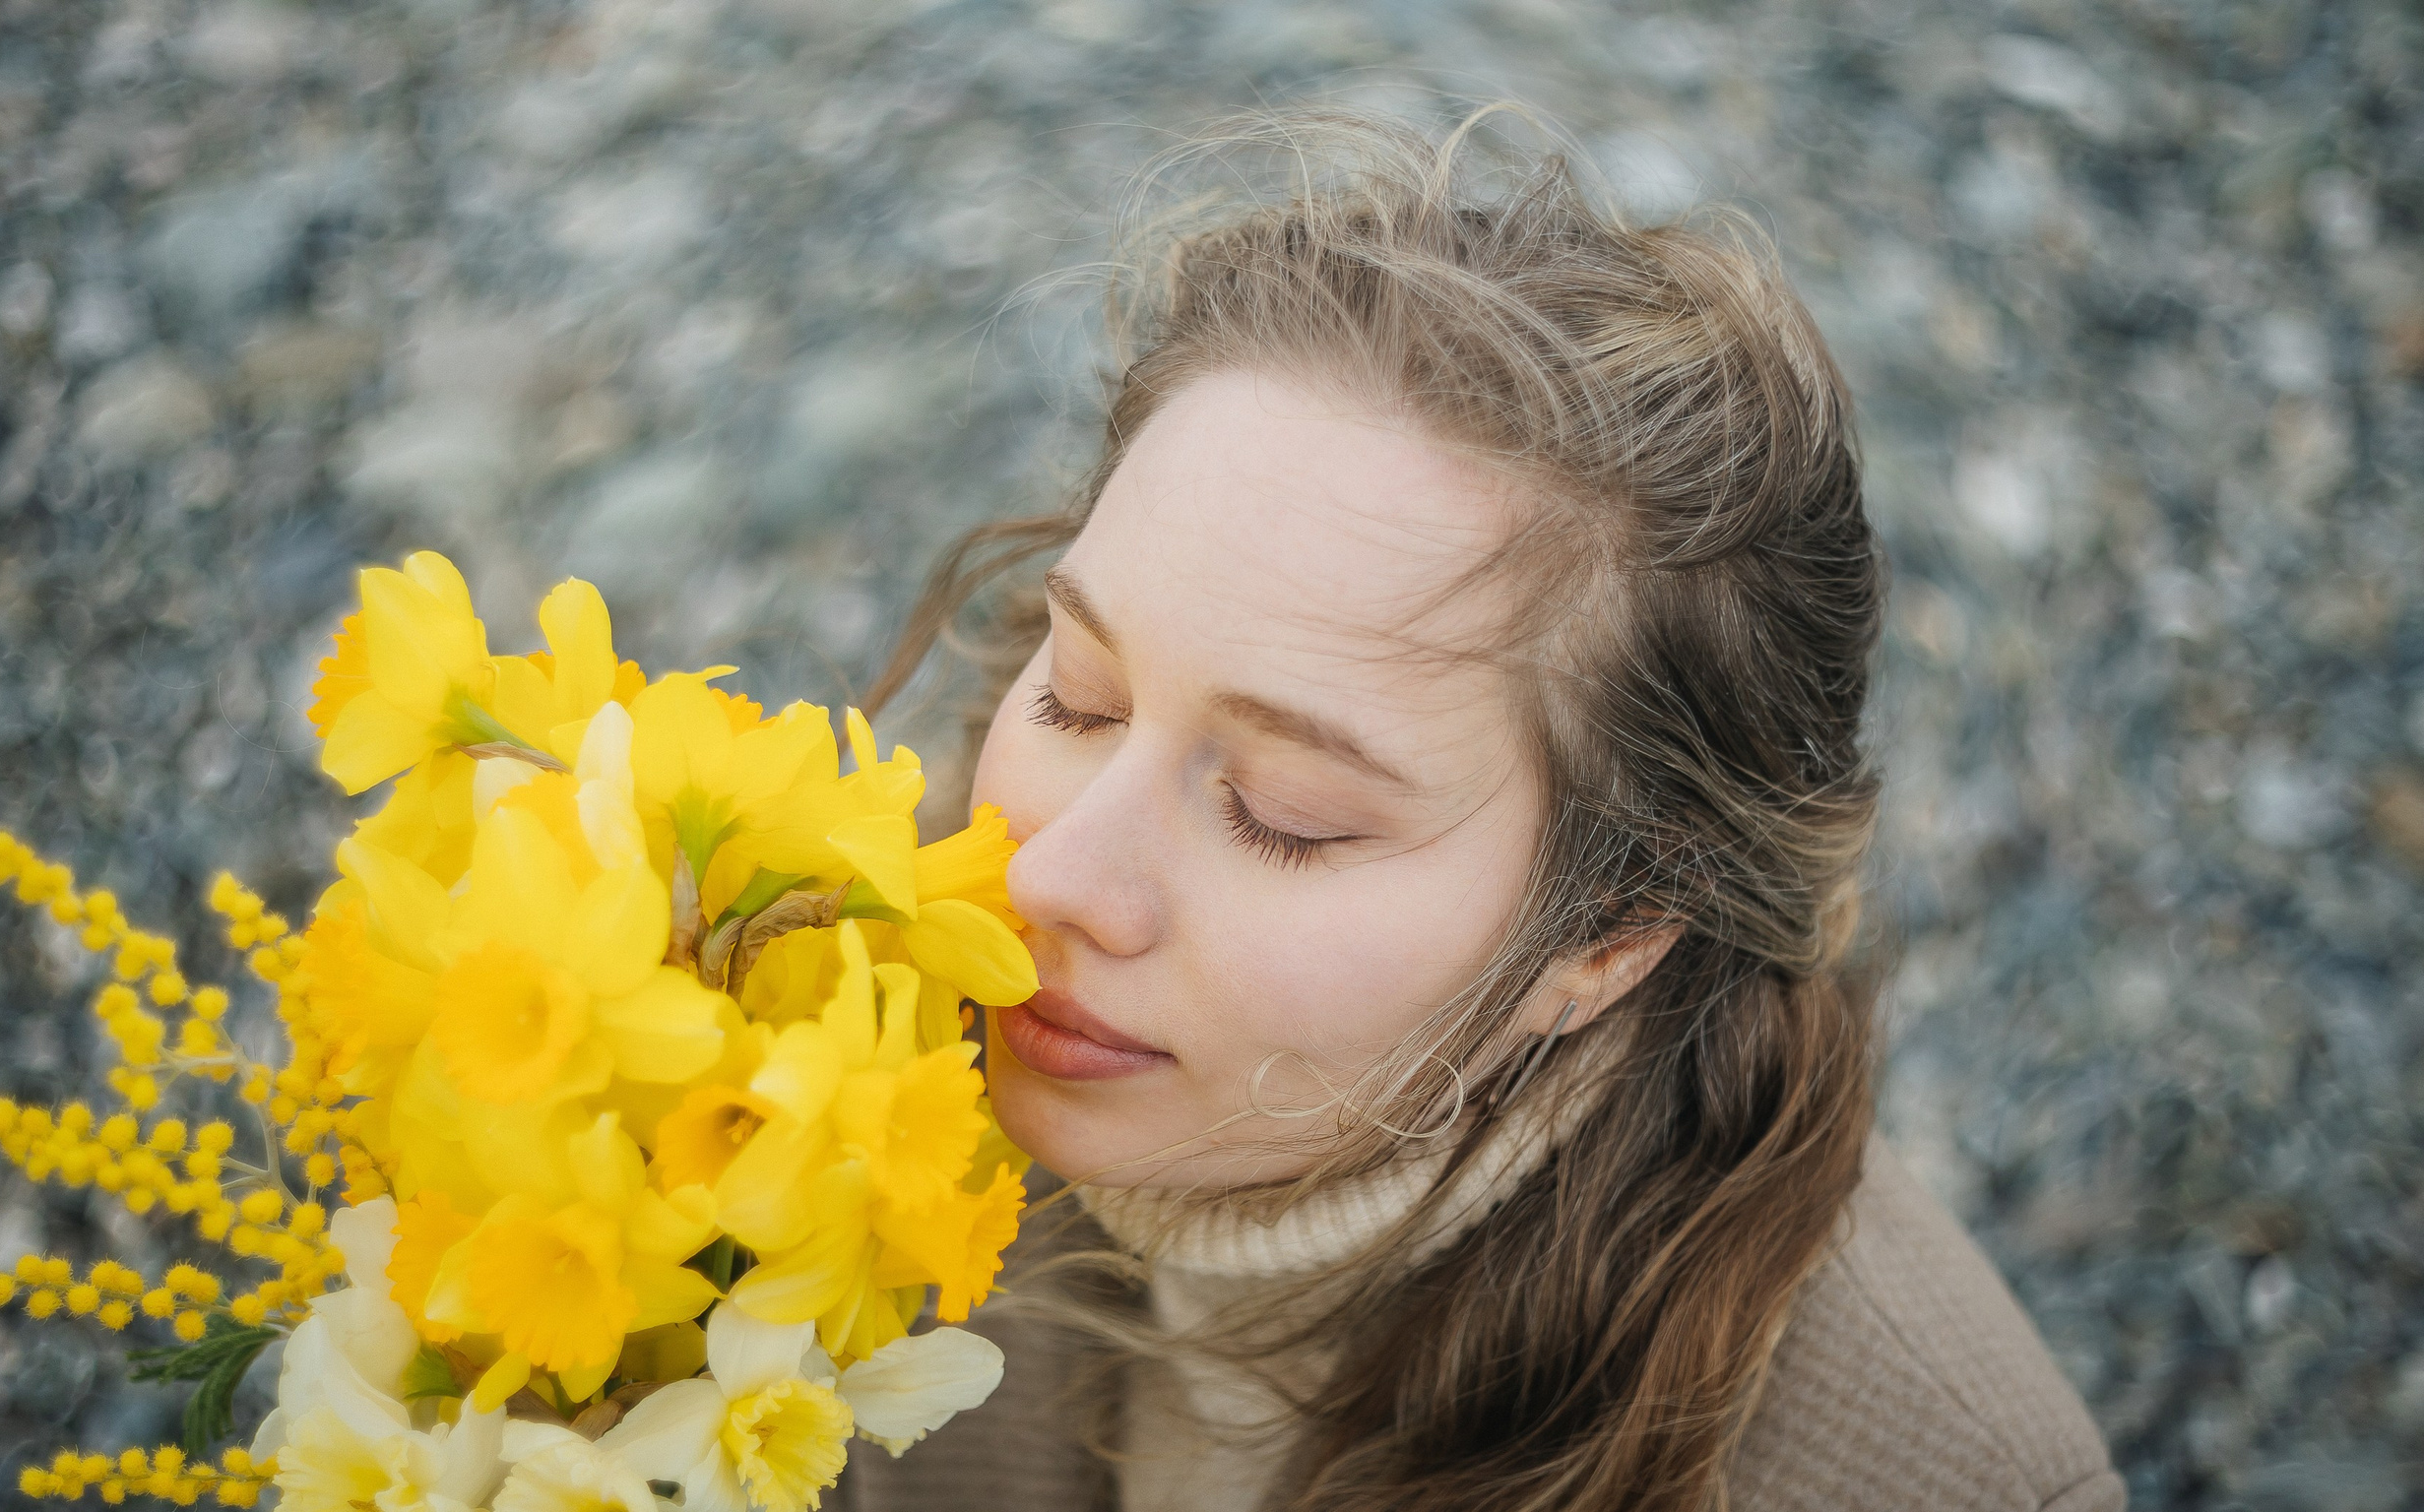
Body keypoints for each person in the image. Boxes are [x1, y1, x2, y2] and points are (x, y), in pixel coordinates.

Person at [840, 110, 2123, 1512]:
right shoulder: (791, 1028)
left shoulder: (1940, 1477)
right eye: (1081, 697)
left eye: (1286, 816)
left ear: (1615, 933)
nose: (1051, 879)